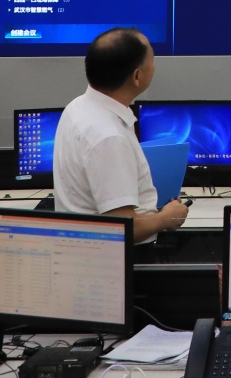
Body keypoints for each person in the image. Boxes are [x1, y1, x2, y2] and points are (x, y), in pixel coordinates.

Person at [53, 27, 189, 239]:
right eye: (152, 60)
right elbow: (123, 228)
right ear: (137, 76)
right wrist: (167, 217)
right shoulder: (109, 137)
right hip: (113, 256)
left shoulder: (77, 107)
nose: (154, 67)